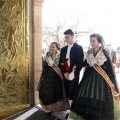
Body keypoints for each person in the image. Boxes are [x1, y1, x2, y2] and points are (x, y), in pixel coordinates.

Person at [69, 34, 120, 120]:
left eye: (93, 41)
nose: (91, 43)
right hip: (88, 77)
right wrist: (77, 66)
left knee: (99, 95)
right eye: (90, 41)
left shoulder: (104, 52)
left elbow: (110, 69)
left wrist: (113, 82)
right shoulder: (89, 52)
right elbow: (85, 63)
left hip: (101, 79)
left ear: (99, 41)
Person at [59, 29, 84, 118]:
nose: (66, 39)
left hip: (74, 75)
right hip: (65, 74)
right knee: (67, 92)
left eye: (67, 37)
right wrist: (65, 72)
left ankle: (72, 113)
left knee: (72, 93)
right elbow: (60, 63)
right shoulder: (63, 49)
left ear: (73, 36)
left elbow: (80, 63)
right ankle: (70, 110)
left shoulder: (79, 48)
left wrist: (73, 72)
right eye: (65, 37)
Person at [38, 42, 69, 113]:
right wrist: (43, 62)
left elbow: (64, 65)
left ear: (57, 47)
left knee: (56, 92)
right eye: (51, 47)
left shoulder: (61, 55)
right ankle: (50, 108)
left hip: (57, 76)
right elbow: (46, 64)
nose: (52, 48)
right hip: (48, 75)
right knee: (48, 93)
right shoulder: (48, 55)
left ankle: (57, 108)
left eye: (53, 47)